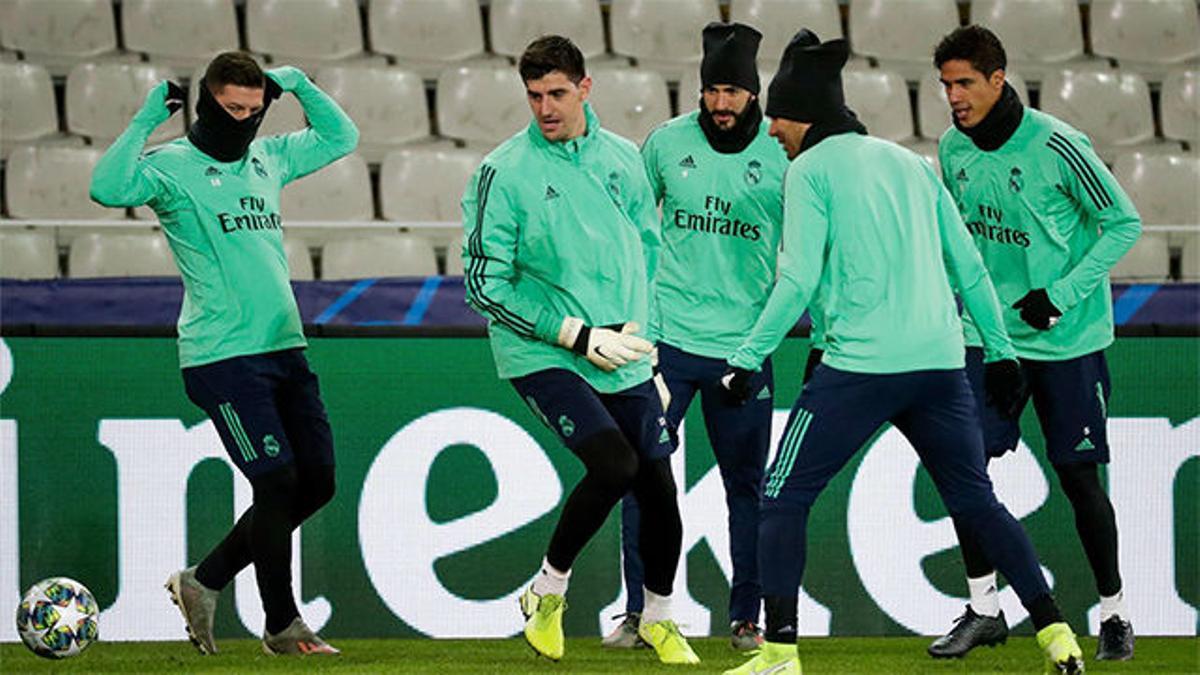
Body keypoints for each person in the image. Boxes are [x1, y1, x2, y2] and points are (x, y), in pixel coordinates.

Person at [721, 30, 1085, 675]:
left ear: (801, 113)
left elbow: (797, 279)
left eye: (778, 117)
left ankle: (777, 657)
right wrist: (1000, 354)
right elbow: (969, 266)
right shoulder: (913, 163)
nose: (771, 130)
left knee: (781, 500)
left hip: (862, 366)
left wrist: (748, 358)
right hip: (942, 363)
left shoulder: (808, 169)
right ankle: (1057, 634)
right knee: (976, 501)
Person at [90, 51, 358, 655]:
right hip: (222, 355)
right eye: (232, 108)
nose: (242, 120)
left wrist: (298, 83)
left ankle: (203, 580)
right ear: (207, 100)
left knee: (317, 483)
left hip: (285, 347)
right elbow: (105, 186)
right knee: (278, 479)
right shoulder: (171, 167)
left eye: (253, 109)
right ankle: (283, 625)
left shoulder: (268, 157)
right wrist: (141, 123)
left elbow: (343, 136)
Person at [459, 35, 698, 666]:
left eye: (558, 93)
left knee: (659, 488)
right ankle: (547, 592)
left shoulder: (623, 159)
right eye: (534, 96)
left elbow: (650, 256)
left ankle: (660, 618)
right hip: (545, 352)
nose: (545, 108)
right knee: (615, 466)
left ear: (586, 89)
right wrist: (574, 335)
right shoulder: (502, 172)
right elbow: (484, 284)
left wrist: (649, 347)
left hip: (622, 350)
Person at [928, 25, 1141, 662]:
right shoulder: (952, 149)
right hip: (990, 342)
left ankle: (1113, 613)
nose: (953, 97)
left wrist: (1061, 294)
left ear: (998, 79)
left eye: (964, 82)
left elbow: (1123, 222)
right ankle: (984, 609)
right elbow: (964, 241)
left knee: (1079, 475)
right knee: (964, 470)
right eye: (945, 85)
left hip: (1068, 342)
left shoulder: (1058, 144)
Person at [604, 22, 788, 652]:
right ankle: (639, 612)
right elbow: (628, 225)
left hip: (745, 348)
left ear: (755, 94)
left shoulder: (782, 153)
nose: (721, 103)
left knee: (748, 489)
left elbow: (811, 251)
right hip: (666, 345)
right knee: (643, 478)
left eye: (734, 91)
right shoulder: (664, 143)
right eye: (712, 90)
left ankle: (746, 619)